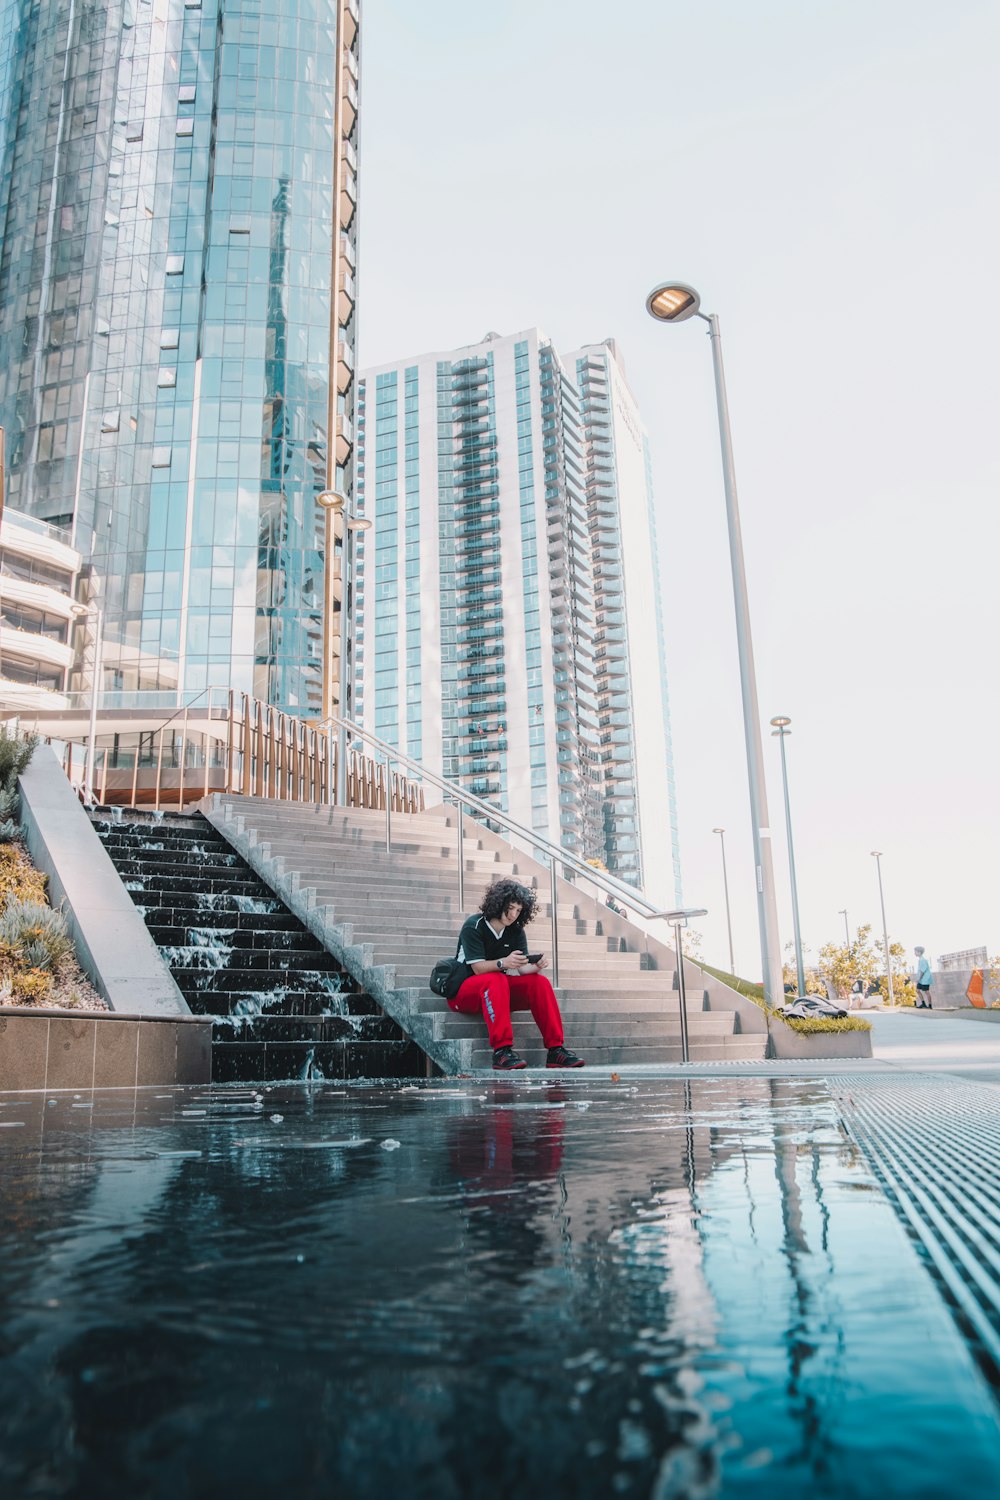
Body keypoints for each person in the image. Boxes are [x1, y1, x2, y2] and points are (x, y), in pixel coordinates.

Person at [449, 877, 585, 1070]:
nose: (513, 914)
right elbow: (477, 968)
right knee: (496, 978)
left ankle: (556, 1050)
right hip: (463, 992)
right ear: (498, 903)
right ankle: (502, 1051)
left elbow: (522, 970)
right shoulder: (474, 925)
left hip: (497, 992)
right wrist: (504, 962)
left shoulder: (516, 931)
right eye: (510, 907)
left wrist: (536, 966)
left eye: (518, 910)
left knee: (540, 982)